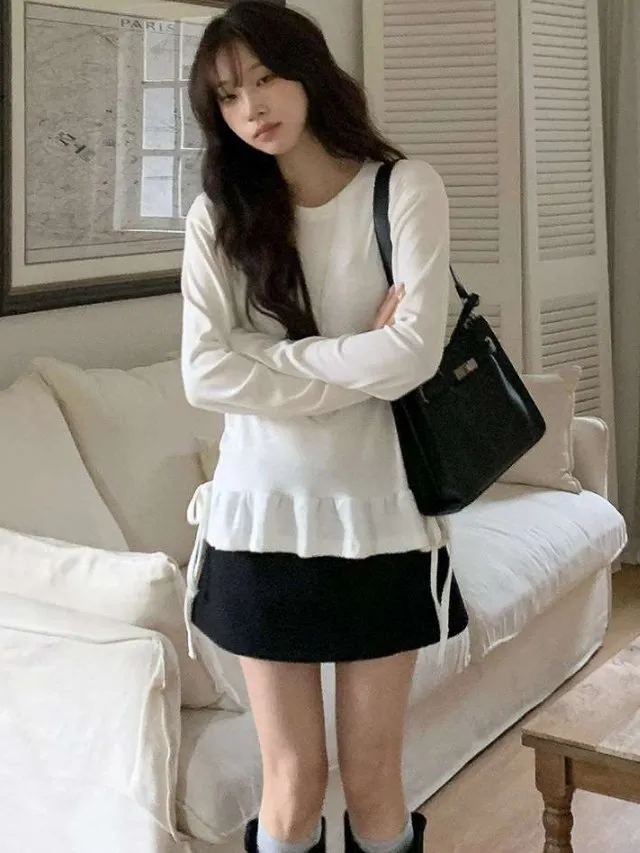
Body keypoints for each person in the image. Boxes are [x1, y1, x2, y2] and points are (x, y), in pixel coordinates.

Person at [180, 3, 469, 853]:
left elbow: (413, 354)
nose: (252, 107)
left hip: (379, 518)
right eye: (229, 94)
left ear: (308, 71)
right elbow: (204, 373)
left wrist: (269, 361)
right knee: (294, 783)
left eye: (265, 78)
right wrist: (354, 359)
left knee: (374, 780)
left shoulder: (404, 189)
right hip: (259, 521)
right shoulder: (219, 216)